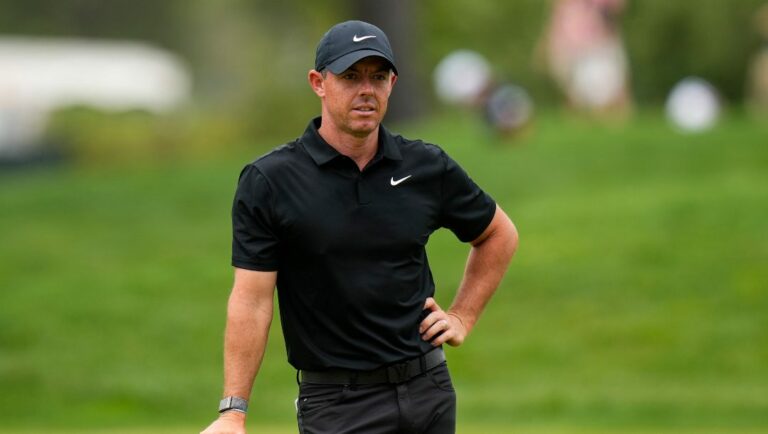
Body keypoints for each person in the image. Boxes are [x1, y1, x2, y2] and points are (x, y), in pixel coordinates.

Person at [201, 20, 518, 434]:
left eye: (378, 77)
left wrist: (462, 316)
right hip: (337, 404)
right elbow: (252, 300)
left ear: (392, 84)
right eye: (350, 77)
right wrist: (233, 412)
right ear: (319, 82)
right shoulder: (270, 181)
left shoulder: (424, 166)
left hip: (428, 392)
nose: (366, 90)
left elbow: (498, 233)